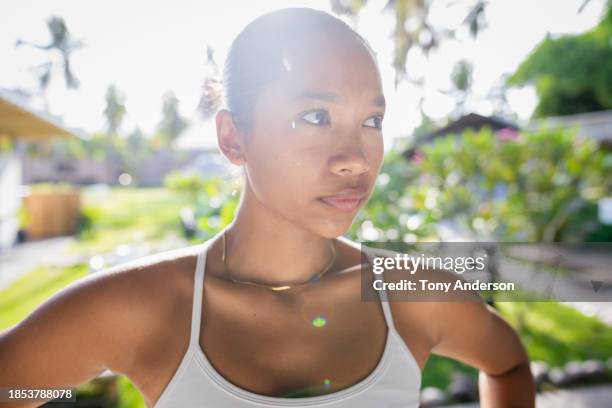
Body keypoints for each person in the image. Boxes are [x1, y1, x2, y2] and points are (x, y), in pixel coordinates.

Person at [0, 8, 535, 408]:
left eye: (371, 121)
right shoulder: (142, 307)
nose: (355, 159)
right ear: (234, 138)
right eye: (315, 115)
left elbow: (508, 363)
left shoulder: (412, 293)